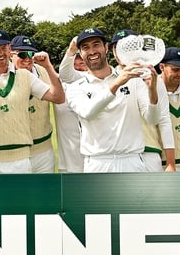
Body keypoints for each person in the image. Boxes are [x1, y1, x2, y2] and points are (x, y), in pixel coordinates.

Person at [66, 28, 160, 173]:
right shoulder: (75, 88)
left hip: (132, 160)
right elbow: (88, 112)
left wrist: (152, 90)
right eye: (85, 48)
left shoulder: (133, 80)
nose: (92, 52)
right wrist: (116, 84)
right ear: (80, 53)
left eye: (96, 45)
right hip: (97, 163)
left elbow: (153, 119)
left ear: (106, 47)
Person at [0, 29, 65, 174]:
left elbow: (58, 97)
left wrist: (48, 66)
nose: (0, 53)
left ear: (9, 49)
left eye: (4, 48)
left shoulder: (25, 76)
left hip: (21, 158)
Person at [109, 29, 176, 172]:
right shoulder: (109, 79)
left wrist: (170, 163)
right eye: (116, 47)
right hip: (117, 154)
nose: (120, 51)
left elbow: (164, 120)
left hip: (149, 152)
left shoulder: (154, 78)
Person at [11, 35, 58, 173]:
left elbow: (60, 92)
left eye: (31, 54)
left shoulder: (43, 71)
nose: (27, 59)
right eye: (22, 54)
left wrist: (48, 67)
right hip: (16, 152)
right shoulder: (4, 75)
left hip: (43, 150)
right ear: (10, 54)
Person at [54, 53, 87, 173]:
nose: (77, 68)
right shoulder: (58, 89)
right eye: (74, 65)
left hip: (94, 160)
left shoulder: (96, 87)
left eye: (81, 64)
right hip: (68, 163)